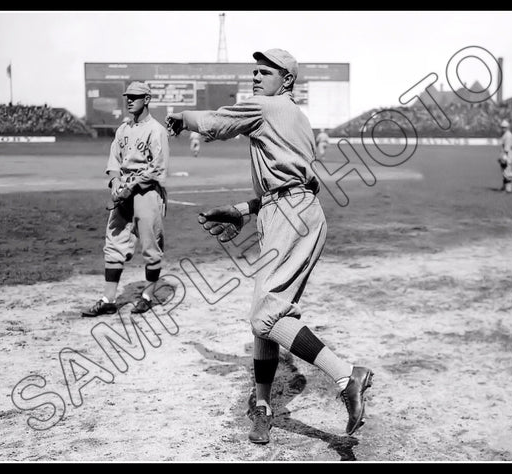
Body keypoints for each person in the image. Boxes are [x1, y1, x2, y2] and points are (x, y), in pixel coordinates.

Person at [165, 49, 373, 445]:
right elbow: (291, 183)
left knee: (265, 317)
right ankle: (262, 405)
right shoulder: (297, 118)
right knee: (266, 309)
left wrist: (181, 115)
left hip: (289, 217)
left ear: (287, 80)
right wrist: (244, 210)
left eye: (265, 72)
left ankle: (347, 375)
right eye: (254, 72)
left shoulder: (267, 106)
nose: (256, 77)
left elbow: (210, 123)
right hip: (293, 211)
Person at [82, 81, 170, 317]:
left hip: (147, 192)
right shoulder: (123, 129)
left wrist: (130, 188)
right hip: (124, 192)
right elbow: (113, 162)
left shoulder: (156, 130)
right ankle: (108, 299)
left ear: (147, 99)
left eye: (135, 96)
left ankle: (147, 296)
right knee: (113, 244)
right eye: (127, 96)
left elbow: (157, 169)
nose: (129, 100)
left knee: (151, 247)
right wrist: (115, 183)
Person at [498, 119, 512, 193]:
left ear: (507, 127)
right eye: (502, 127)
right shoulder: (504, 134)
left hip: (507, 154)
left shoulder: (508, 135)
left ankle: (508, 189)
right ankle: (504, 186)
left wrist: (504, 157)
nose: (503, 128)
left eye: (504, 127)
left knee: (507, 170)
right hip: (504, 153)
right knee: (504, 171)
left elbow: (507, 148)